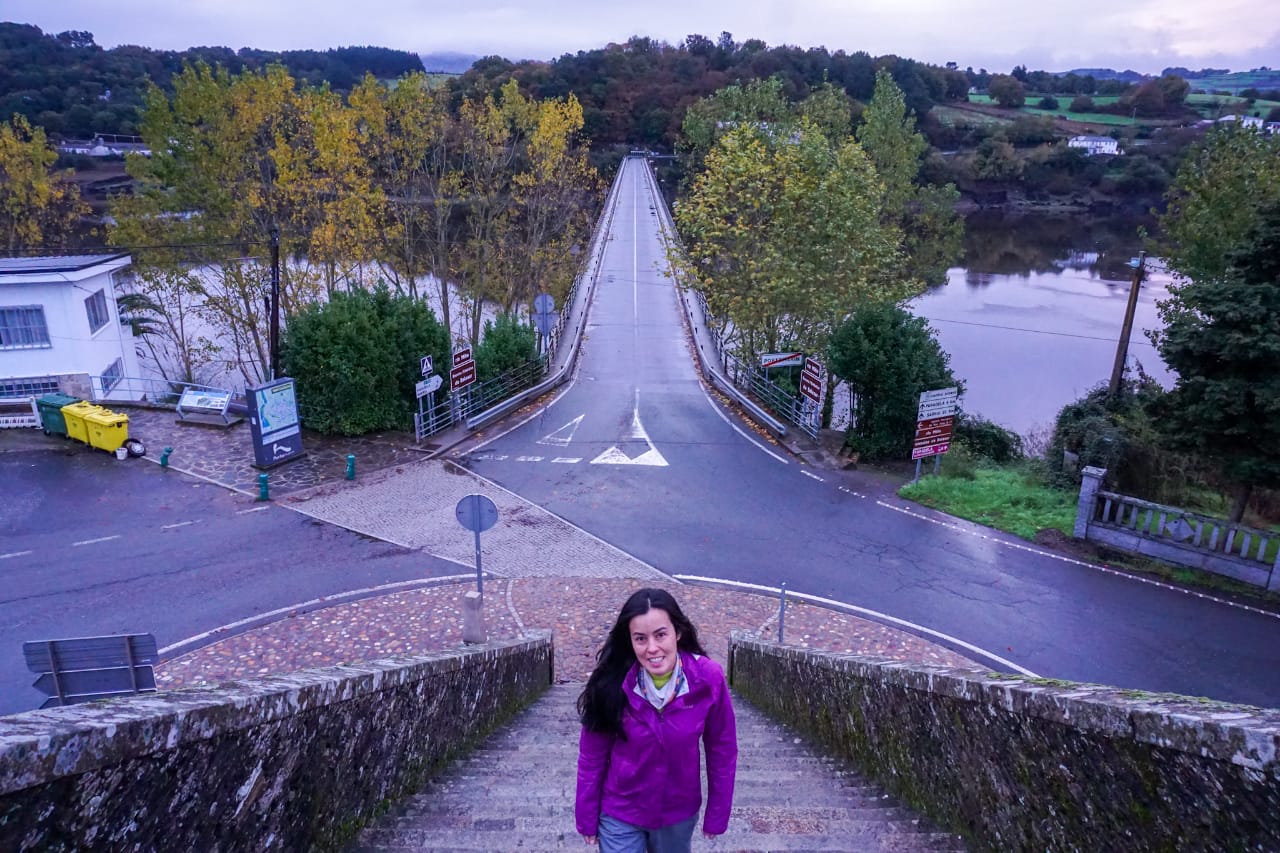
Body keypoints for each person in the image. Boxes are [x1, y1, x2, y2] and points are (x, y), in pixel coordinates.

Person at [575, 588, 737, 852]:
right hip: (620, 811)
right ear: (629, 641)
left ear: (678, 633)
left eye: (660, 635)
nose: (652, 648)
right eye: (640, 639)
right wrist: (586, 817)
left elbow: (722, 750)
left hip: (677, 813)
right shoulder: (610, 683)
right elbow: (591, 756)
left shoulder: (708, 679)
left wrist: (718, 813)